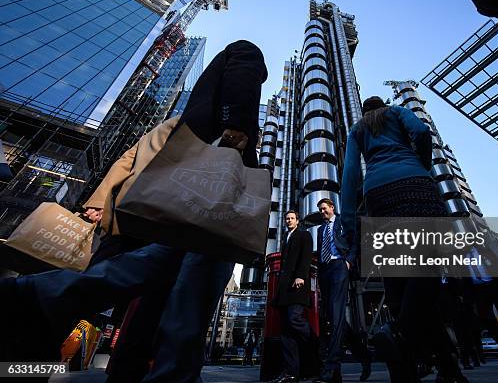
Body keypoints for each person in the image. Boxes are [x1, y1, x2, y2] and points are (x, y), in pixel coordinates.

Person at [0, 40, 268, 383]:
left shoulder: (172, 128)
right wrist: (240, 127)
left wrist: (100, 203)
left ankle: (40, 329)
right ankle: (40, 309)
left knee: (146, 288)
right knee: (181, 288)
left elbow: (125, 161)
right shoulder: (237, 74)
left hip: (140, 212)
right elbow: (243, 69)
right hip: (191, 206)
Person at [340, 96, 467, 383]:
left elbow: (349, 175)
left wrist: (349, 221)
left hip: (379, 195)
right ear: (382, 105)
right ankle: (401, 335)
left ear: (364, 110)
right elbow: (422, 132)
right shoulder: (397, 112)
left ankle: (442, 367)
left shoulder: (358, 129)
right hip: (416, 184)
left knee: (399, 277)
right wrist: (419, 162)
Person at [314, 198, 357, 383]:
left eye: (325, 209)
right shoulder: (320, 229)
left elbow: (354, 240)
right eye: (320, 210)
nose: (323, 212)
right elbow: (319, 251)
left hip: (340, 265)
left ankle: (332, 367)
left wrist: (349, 261)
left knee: (337, 313)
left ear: (332, 207)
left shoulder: (342, 221)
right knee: (330, 315)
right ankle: (363, 354)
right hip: (325, 270)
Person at [272, 210, 314, 382]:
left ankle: (316, 344)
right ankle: (291, 372)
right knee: (286, 333)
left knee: (294, 319)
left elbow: (306, 257)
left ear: (298, 221)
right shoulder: (285, 238)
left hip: (297, 285)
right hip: (284, 289)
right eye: (287, 219)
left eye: (292, 218)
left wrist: (301, 276)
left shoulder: (304, 235)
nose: (289, 221)